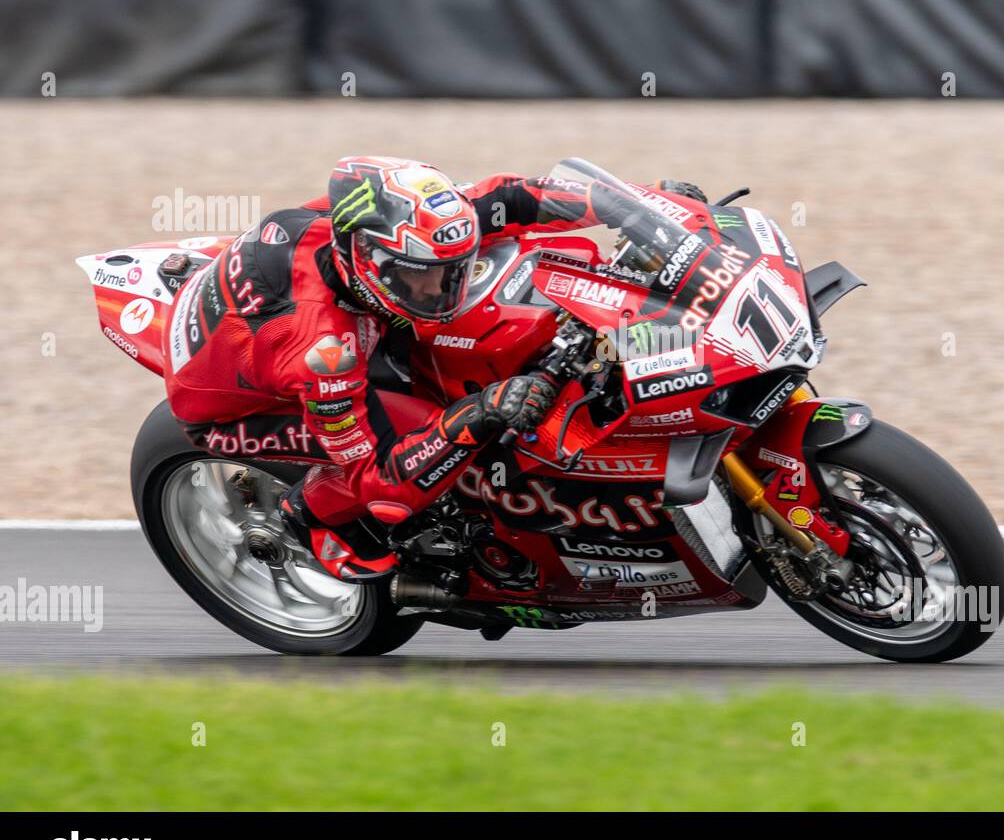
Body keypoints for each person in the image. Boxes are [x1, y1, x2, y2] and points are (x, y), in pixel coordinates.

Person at [163, 155, 705, 582]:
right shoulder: (325, 352)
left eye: (452, 271)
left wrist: (635, 206)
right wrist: (482, 410)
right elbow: (384, 480)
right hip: (242, 410)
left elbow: (512, 198)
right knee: (428, 432)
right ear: (365, 260)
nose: (440, 289)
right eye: (418, 276)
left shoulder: (393, 232)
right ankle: (310, 515)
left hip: (282, 319)